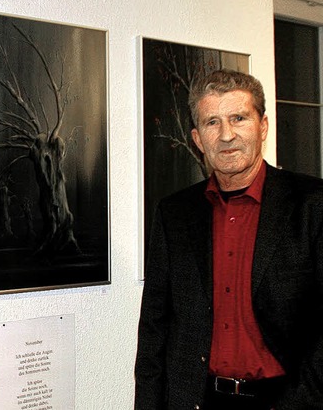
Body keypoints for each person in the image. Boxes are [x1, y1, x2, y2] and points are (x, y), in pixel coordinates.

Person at [134, 69, 323, 409]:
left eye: (238, 118)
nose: (226, 135)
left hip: (289, 399)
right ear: (197, 138)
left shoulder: (313, 204)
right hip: (198, 399)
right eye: (212, 123)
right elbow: (154, 329)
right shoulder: (175, 214)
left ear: (262, 126)